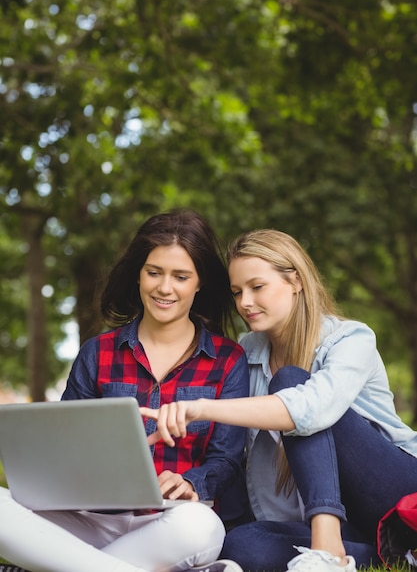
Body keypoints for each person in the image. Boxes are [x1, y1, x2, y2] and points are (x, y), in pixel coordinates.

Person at [141, 228, 417, 572]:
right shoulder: (247, 352)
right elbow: (235, 455)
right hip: (339, 522)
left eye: (257, 287)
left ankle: (329, 547)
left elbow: (310, 409)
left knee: (291, 383)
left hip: (395, 493)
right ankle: (391, 555)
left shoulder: (350, 339)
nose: (244, 302)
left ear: (296, 280)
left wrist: (200, 407)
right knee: (240, 544)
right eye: (237, 291)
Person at [0, 209, 249, 572]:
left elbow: (227, 460)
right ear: (138, 274)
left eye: (181, 276)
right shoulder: (97, 352)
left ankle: (59, 564)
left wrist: (191, 482)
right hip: (87, 520)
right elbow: (64, 447)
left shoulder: (228, 360)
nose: (165, 288)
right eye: (154, 272)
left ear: (200, 283)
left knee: (203, 527)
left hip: (171, 524)